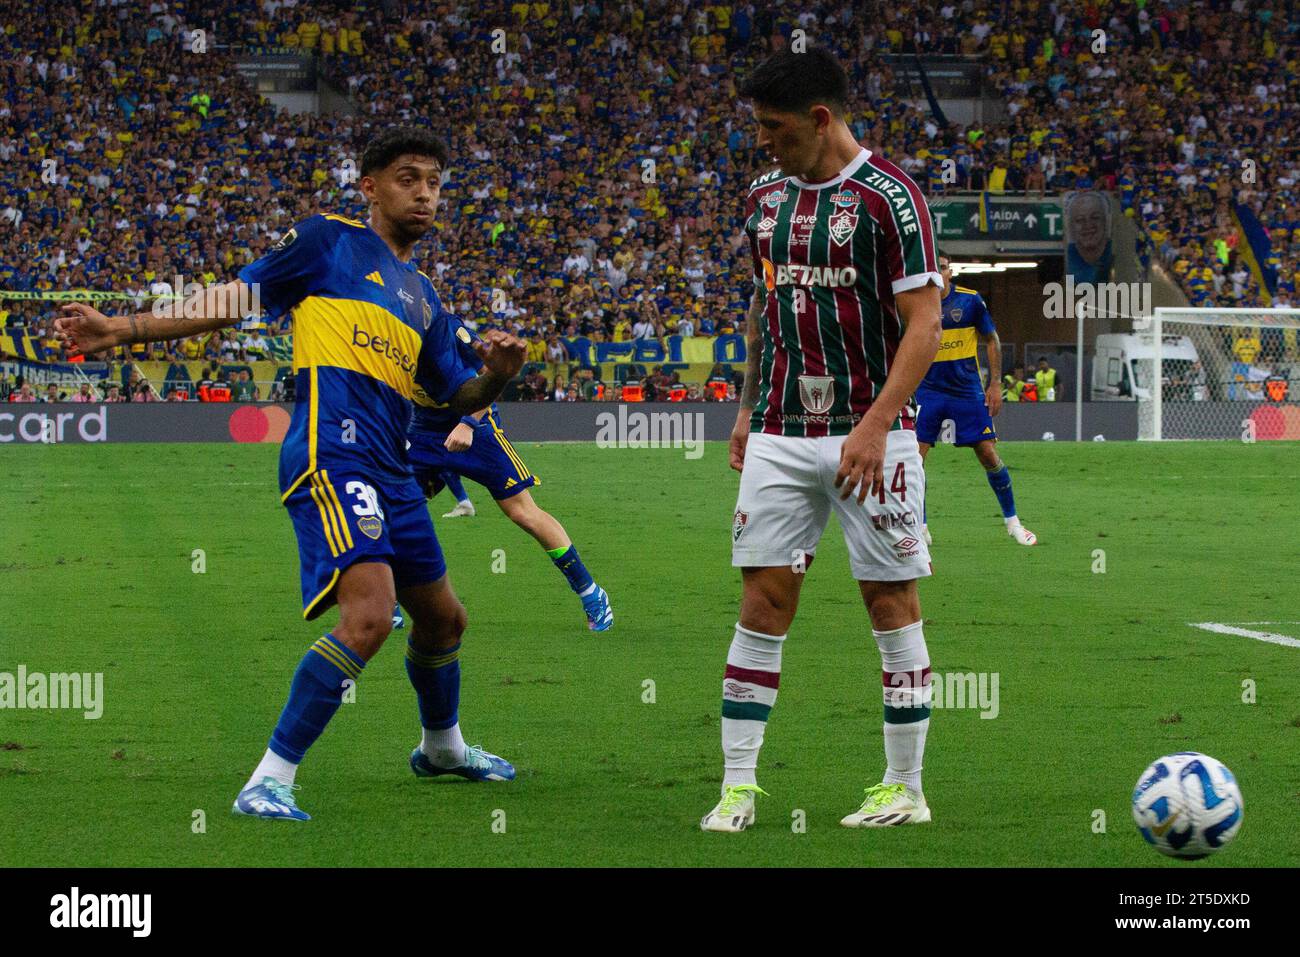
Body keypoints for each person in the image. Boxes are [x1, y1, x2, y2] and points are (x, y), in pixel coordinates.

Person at [55, 126, 528, 822]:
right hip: (331, 453)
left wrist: (495, 376)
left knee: (445, 619)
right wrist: (123, 329)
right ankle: (268, 779)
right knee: (368, 617)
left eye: (433, 181)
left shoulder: (424, 298)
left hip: (390, 468)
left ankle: (442, 748)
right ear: (369, 186)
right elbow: (235, 298)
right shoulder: (327, 241)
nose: (424, 192)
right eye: (407, 177)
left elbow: (454, 397)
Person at [702, 49, 943, 834]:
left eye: (774, 128)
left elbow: (925, 325)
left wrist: (875, 426)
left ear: (820, 119)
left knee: (890, 602)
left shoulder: (891, 198)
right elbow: (765, 305)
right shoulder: (763, 197)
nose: (764, 143)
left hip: (872, 436)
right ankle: (737, 785)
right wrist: (743, 409)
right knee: (764, 600)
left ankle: (904, 786)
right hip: (776, 429)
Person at [404, 313, 613, 633]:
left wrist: (468, 424)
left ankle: (591, 592)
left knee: (522, 512)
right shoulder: (384, 331)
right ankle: (387, 593)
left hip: (475, 425)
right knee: (393, 509)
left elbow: (492, 376)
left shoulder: (449, 329)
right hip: (422, 430)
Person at [914, 254, 1037, 547]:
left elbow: (991, 339)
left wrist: (995, 383)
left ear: (950, 272)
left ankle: (1013, 523)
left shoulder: (970, 301)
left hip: (965, 391)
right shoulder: (916, 303)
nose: (937, 273)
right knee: (913, 461)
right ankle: (920, 527)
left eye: (942, 268)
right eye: (932, 268)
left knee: (987, 454)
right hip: (928, 392)